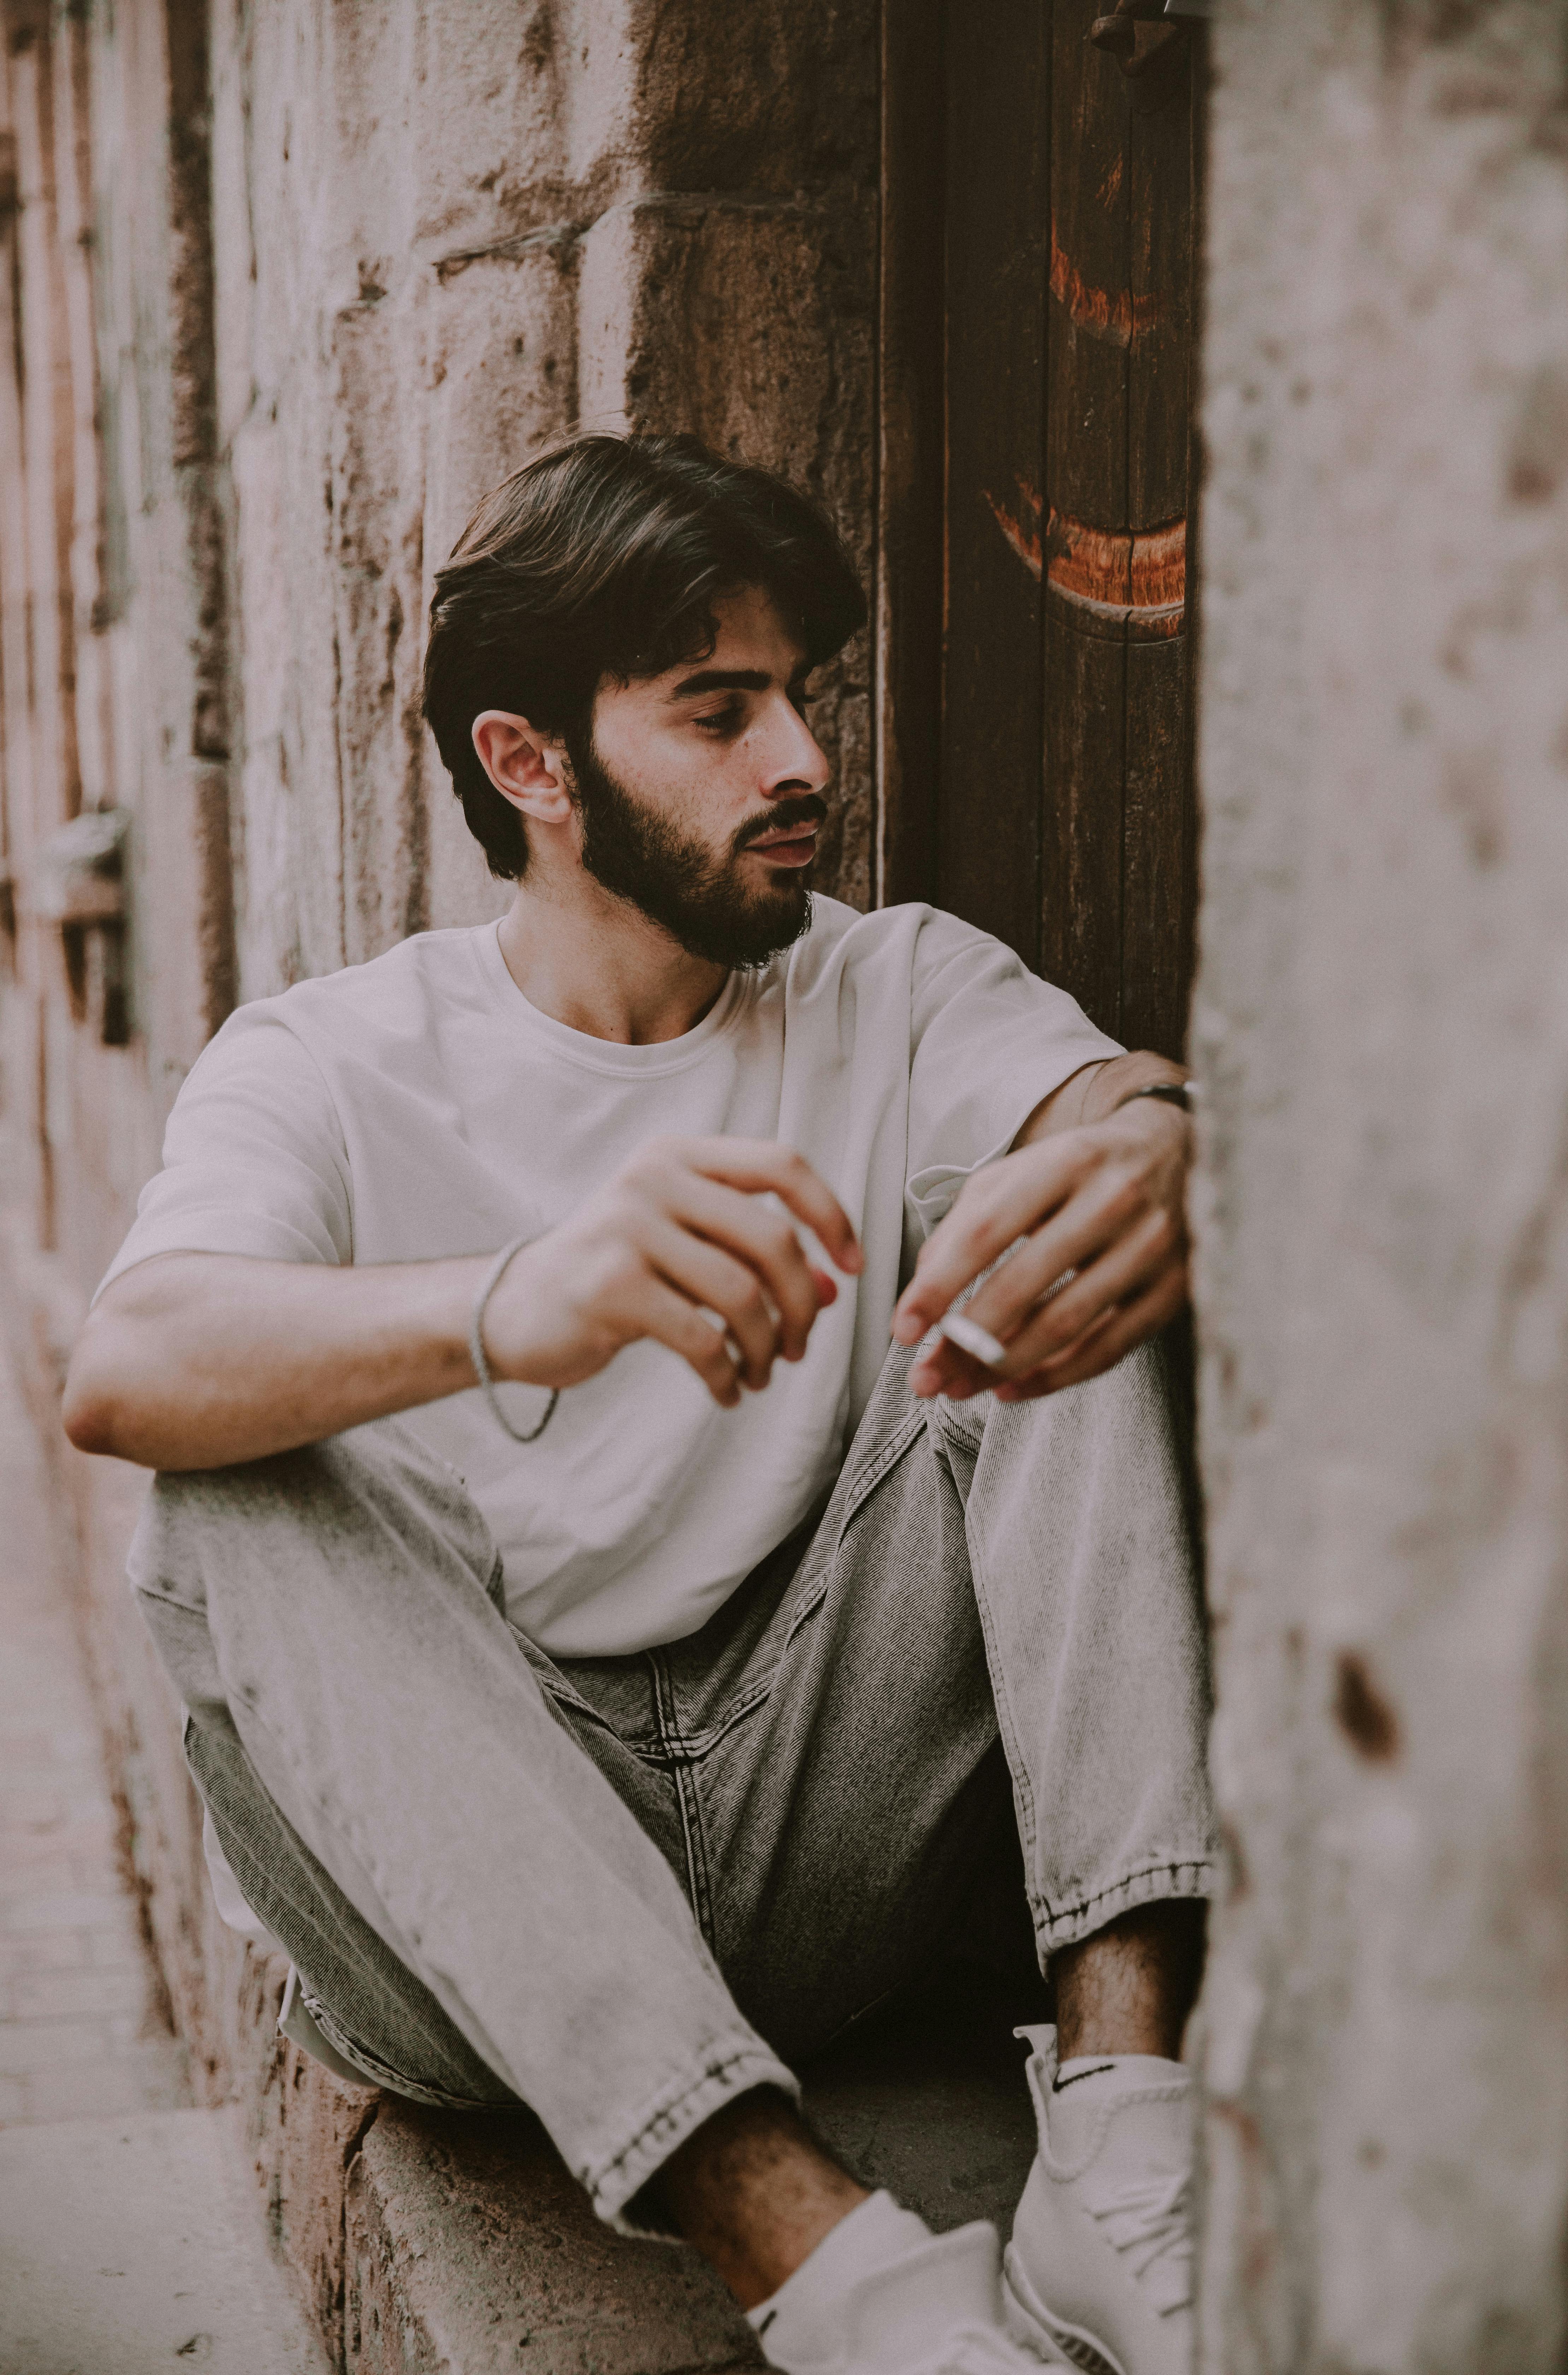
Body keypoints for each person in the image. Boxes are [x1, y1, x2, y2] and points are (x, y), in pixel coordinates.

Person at [63, 435, 1214, 2375]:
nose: (805, 766)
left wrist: (1158, 1133)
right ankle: (828, 2268)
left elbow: (1093, 1109)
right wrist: (519, 1303)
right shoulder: (335, 1060)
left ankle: (1127, 2146)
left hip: (822, 1818)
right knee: (230, 1483)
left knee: (1050, 1241)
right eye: (721, 710)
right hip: (460, 1926)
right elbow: (125, 1369)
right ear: (531, 765)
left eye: (804, 701)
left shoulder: (900, 985)